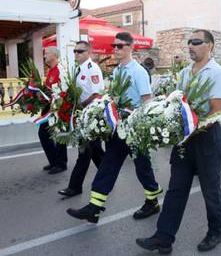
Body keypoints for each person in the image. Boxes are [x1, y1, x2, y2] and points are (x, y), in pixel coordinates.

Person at [136, 29, 221, 254]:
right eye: (189, 42)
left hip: (207, 138)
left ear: (210, 45)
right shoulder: (186, 73)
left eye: (196, 42)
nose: (191, 46)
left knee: (211, 190)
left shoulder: (218, 73)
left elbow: (216, 111)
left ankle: (215, 231)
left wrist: (192, 127)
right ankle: (163, 237)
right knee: (176, 189)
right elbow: (178, 104)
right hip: (184, 140)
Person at [67, 32, 163, 223]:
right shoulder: (118, 70)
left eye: (121, 46)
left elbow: (146, 100)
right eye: (114, 46)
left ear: (131, 47)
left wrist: (141, 127)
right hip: (118, 128)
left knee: (143, 167)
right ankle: (94, 208)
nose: (116, 49)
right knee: (108, 165)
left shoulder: (138, 71)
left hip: (134, 128)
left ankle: (152, 201)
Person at [58, 41, 105, 198]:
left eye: (80, 51)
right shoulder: (78, 69)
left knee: (84, 152)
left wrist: (81, 104)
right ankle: (107, 176)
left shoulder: (93, 69)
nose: (76, 54)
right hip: (82, 114)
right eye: (75, 51)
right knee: (95, 152)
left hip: (90, 114)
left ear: (88, 52)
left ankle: (75, 186)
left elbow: (97, 93)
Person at [40, 47, 68, 174]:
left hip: (59, 107)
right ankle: (54, 161)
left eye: (47, 53)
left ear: (55, 55)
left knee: (60, 135)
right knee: (44, 134)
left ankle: (61, 163)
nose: (44, 56)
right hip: (49, 107)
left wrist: (56, 107)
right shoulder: (51, 70)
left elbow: (64, 90)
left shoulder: (60, 70)